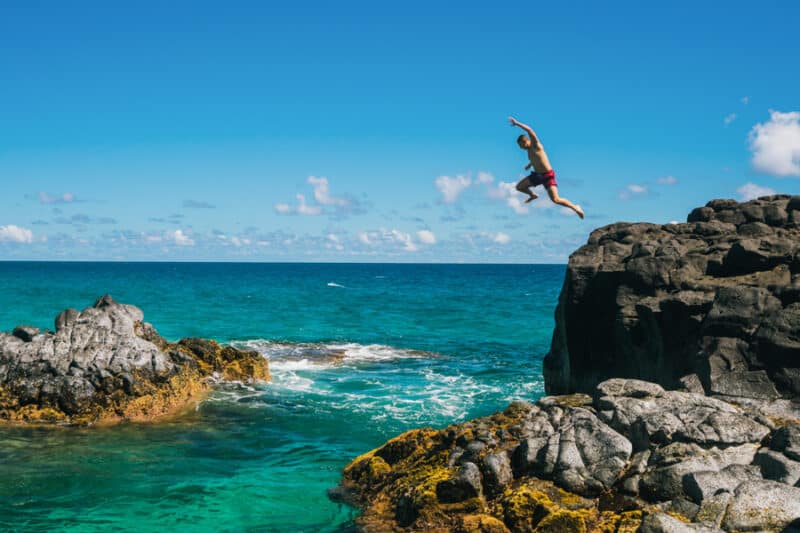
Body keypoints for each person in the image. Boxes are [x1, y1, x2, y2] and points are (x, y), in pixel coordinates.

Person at [509, 116, 584, 219]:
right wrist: (529, 164)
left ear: (525, 141)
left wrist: (517, 123)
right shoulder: (529, 151)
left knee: (556, 199)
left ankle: (576, 208)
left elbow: (530, 130)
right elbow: (537, 158)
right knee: (519, 187)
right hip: (538, 175)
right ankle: (532, 195)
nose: (521, 148)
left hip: (548, 175)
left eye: (521, 145)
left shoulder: (536, 145)